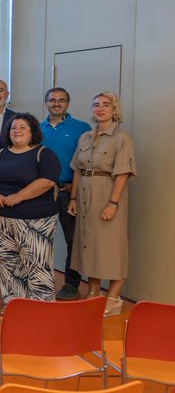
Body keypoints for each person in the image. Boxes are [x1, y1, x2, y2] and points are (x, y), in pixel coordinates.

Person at [0, 113, 61, 307]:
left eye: (23, 127)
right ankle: (14, 306)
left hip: (35, 220)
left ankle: (41, 309)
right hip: (1, 219)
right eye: (14, 127)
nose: (17, 131)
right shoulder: (0, 153)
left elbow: (47, 181)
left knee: (37, 265)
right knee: (8, 264)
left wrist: (18, 197)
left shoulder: (44, 154)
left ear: (32, 131)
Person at [68, 92, 136, 317]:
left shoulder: (121, 138)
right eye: (96, 104)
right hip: (85, 195)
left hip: (107, 193)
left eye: (106, 105)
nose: (100, 108)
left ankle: (113, 298)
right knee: (89, 244)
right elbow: (78, 169)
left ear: (114, 110)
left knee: (112, 247)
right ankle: (94, 292)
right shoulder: (85, 137)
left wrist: (113, 203)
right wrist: (73, 198)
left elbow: (123, 173)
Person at [40, 87, 92, 301]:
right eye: (53, 100)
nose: (57, 104)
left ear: (68, 103)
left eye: (61, 100)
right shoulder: (37, 128)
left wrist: (74, 186)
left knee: (73, 239)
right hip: (42, 193)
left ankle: (71, 284)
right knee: (41, 239)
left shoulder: (82, 128)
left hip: (69, 191)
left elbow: (87, 161)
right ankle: (41, 281)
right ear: (46, 103)